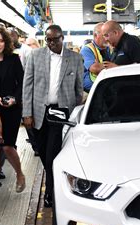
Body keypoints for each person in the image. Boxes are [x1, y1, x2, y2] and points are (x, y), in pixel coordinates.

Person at [22, 24, 83, 208]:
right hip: (39, 112)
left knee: (51, 156)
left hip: (60, 113)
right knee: (42, 150)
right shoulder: (35, 56)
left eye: (55, 39)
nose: (51, 43)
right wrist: (27, 113)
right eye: (48, 39)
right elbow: (28, 85)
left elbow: (78, 89)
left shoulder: (75, 58)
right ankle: (54, 182)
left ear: (62, 38)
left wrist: (75, 114)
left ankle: (51, 193)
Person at [0, 26, 26, 194]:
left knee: (7, 146)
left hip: (10, 110)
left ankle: (20, 174)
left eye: (1, 40)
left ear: (6, 42)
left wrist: (14, 99)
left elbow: (22, 83)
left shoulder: (13, 60)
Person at [80, 22, 111, 93]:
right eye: (104, 35)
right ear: (95, 35)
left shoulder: (110, 48)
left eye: (108, 35)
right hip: (91, 90)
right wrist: (114, 65)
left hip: (106, 85)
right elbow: (95, 69)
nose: (107, 38)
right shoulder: (87, 49)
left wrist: (101, 65)